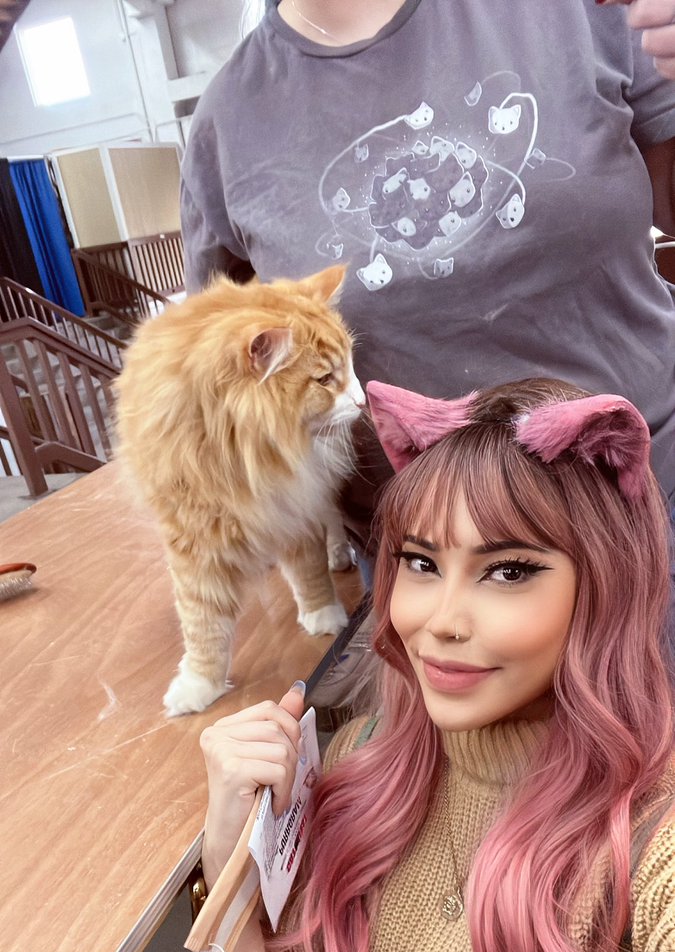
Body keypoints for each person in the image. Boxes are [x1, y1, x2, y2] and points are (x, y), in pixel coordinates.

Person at [184, 377, 675, 952]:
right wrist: (230, 872)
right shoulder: (365, 774)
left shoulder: (655, 841)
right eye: (420, 562)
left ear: (603, 585)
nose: (440, 619)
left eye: (508, 571)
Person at [181, 0, 675, 565]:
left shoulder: (579, 12)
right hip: (428, 561)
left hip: (650, 510)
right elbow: (221, 383)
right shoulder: (227, 124)